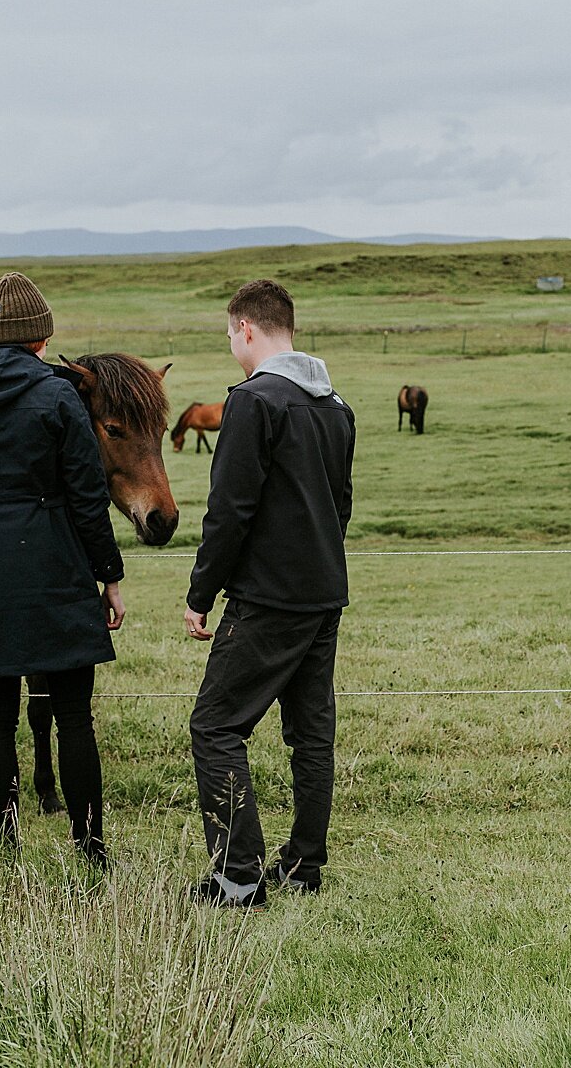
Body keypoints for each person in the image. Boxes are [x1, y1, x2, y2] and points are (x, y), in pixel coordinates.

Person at [0, 271, 125, 866]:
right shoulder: (59, 397)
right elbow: (87, 499)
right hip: (57, 574)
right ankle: (91, 851)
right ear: (39, 340)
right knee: (74, 720)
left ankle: (5, 850)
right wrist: (108, 575)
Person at [184, 278, 355, 908]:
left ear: (246, 330)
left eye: (230, 332)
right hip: (324, 595)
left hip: (267, 600)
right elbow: (342, 508)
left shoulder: (253, 403)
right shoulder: (336, 406)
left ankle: (238, 875)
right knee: (310, 734)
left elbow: (229, 511)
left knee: (215, 726)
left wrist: (201, 593)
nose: (231, 342)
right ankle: (305, 866)